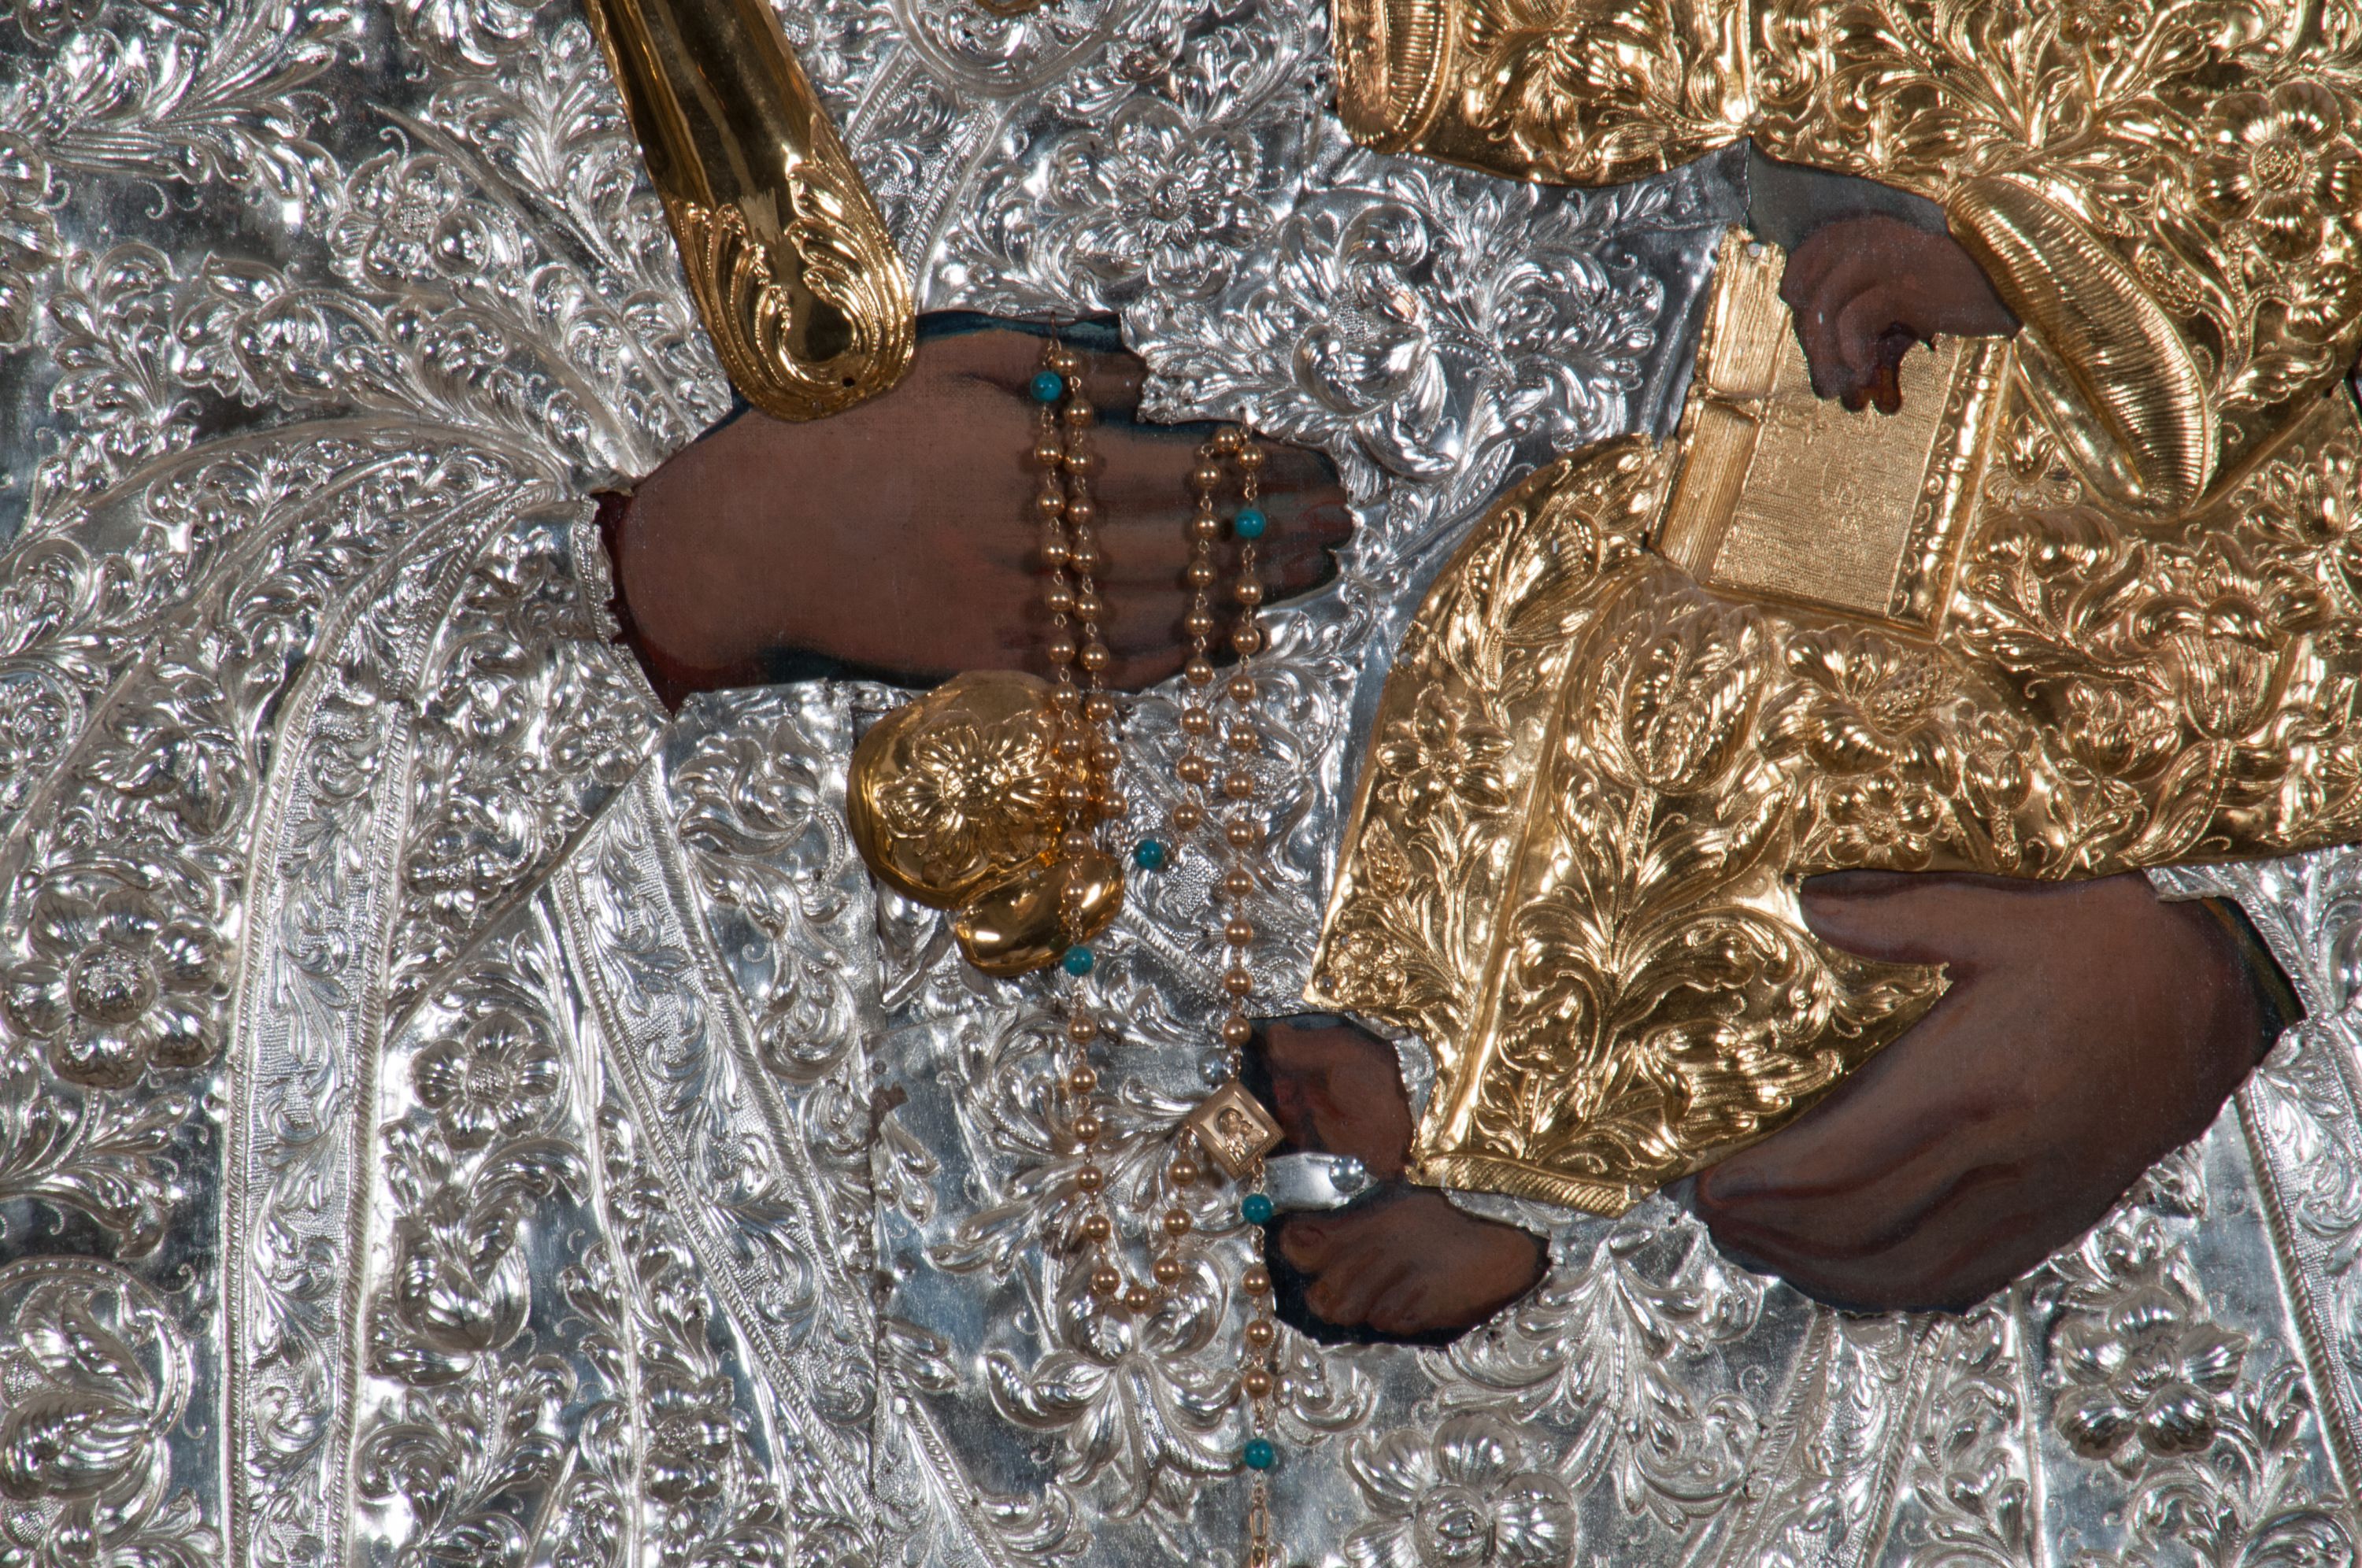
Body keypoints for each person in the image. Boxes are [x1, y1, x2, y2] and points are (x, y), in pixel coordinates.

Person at [0, 2, 2354, 1566]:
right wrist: (686, 574)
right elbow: (118, 565)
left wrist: (2224, 971)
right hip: (770, 1354)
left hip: (1789, 1377)